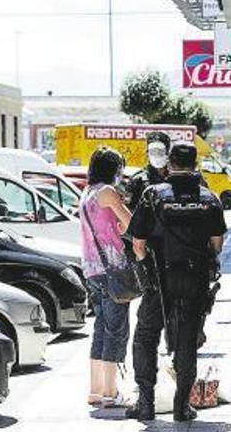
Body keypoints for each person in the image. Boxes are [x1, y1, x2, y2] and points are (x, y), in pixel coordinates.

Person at [126, 141, 227, 422]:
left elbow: (138, 244)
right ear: (195, 165)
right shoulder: (210, 198)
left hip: (159, 280)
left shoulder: (152, 195)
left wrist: (149, 265)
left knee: (146, 337)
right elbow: (216, 245)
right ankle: (182, 407)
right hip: (194, 279)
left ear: (169, 164)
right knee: (187, 343)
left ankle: (145, 403)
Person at [81, 147, 134, 408]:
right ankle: (111, 392)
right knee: (116, 331)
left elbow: (107, 225)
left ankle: (96, 389)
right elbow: (132, 224)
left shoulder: (87, 192)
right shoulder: (107, 192)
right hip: (112, 269)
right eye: (119, 169)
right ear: (113, 169)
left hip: (92, 269)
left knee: (100, 328)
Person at [126, 131, 171, 211]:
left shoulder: (174, 178)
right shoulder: (138, 180)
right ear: (147, 153)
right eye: (153, 152)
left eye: (160, 152)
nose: (156, 155)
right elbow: (129, 211)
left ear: (168, 152)